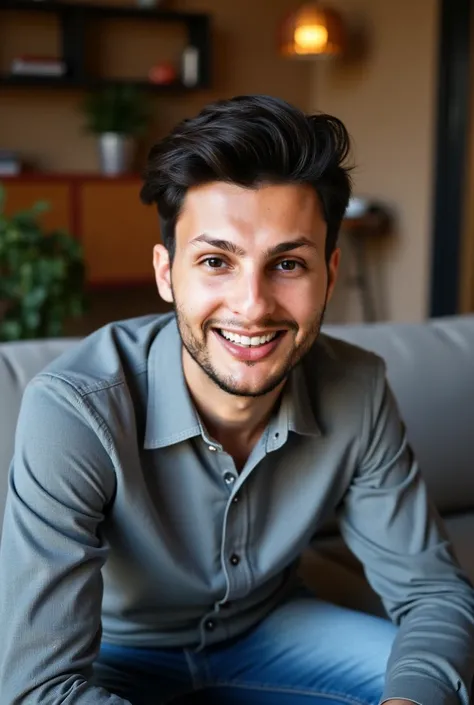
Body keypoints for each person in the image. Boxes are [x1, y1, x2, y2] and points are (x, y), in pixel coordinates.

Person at [0, 94, 473, 705]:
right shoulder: (74, 408)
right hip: (111, 654)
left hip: (274, 630)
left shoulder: (359, 388)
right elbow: (39, 687)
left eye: (289, 264)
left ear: (330, 272)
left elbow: (432, 594)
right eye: (217, 261)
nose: (252, 305)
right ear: (167, 273)